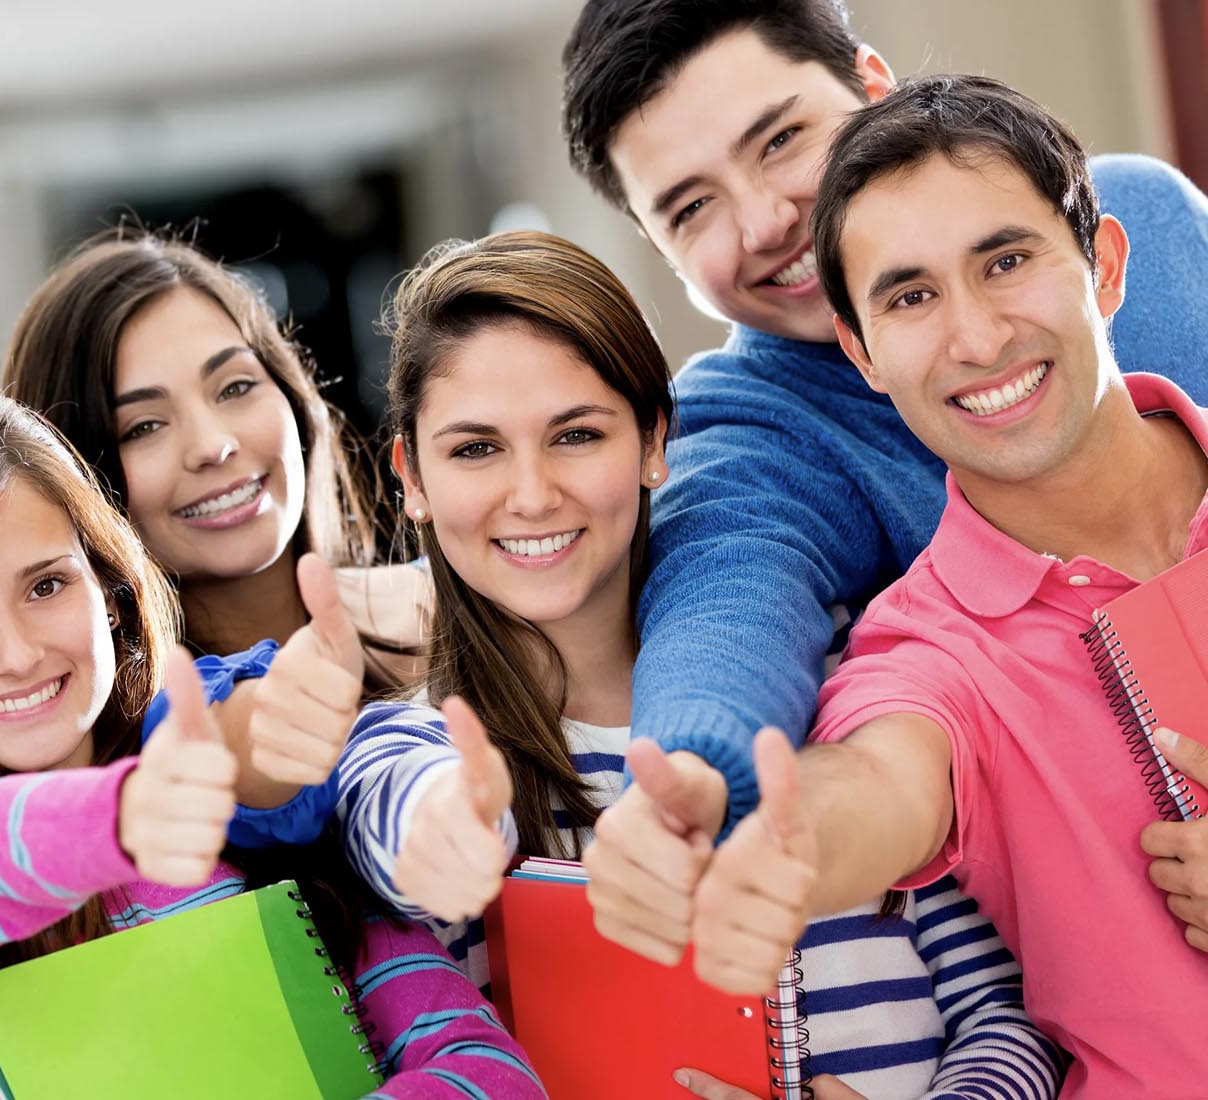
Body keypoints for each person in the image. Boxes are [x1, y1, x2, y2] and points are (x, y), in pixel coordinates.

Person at [330, 230, 1059, 1099]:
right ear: (411, 474)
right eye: (476, 449)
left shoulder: (838, 680)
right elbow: (406, 826)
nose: (531, 494)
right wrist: (446, 828)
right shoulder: (418, 752)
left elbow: (1013, 1015)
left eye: (576, 435)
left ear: (651, 444)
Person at [556, 0, 1208, 968]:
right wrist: (694, 779)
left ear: (871, 87)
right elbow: (726, 606)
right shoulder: (753, 429)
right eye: (692, 208)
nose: (770, 220)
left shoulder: (1139, 223)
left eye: (782, 140)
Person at [673, 75, 1208, 1100]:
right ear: (863, 352)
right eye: (911, 296)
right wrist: (780, 843)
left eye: (1004, 261)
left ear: (1101, 265)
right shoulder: (925, 653)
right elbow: (880, 782)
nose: (974, 337)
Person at [0, 382, 543, 1099]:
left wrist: (411, 788)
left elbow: (483, 1068)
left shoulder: (244, 809)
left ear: (111, 596)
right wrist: (124, 814)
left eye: (45, 586)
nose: (16, 654)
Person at [0, 231, 427, 684]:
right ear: (74, 478)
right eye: (143, 427)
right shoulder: (135, 738)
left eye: (235, 387)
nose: (212, 446)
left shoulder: (460, 601)